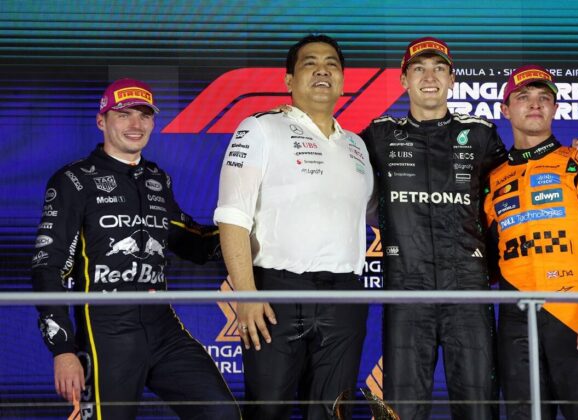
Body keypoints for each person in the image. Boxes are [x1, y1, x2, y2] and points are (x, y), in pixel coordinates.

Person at [360, 37, 578, 420]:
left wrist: (574, 152)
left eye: (439, 69)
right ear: (404, 80)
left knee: (478, 409)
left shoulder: (479, 133)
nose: (429, 77)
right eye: (419, 69)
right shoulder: (378, 134)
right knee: (402, 410)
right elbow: (339, 175)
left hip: (468, 293)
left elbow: (519, 178)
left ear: (452, 79)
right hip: (406, 291)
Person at [31, 78, 241, 420]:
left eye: (144, 115)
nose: (136, 124)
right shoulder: (73, 180)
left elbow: (191, 242)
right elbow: (47, 266)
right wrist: (63, 350)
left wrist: (246, 232)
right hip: (106, 332)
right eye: (124, 114)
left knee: (221, 413)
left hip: (162, 326)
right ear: (101, 121)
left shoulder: (157, 179)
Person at [214, 35, 374, 420]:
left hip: (345, 296)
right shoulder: (259, 128)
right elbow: (233, 217)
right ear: (289, 79)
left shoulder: (357, 145)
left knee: (333, 412)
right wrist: (246, 294)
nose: (322, 70)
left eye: (332, 64)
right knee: (267, 412)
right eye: (309, 63)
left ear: (343, 80)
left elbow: (367, 214)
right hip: (276, 294)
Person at [483, 65, 578, 420]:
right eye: (523, 97)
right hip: (515, 322)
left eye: (544, 97)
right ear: (505, 110)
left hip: (575, 316)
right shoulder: (492, 178)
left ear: (555, 108)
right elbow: (484, 256)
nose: (535, 104)